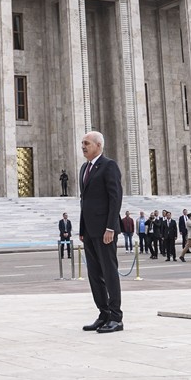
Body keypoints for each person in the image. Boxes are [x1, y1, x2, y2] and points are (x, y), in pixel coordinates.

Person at [78, 130, 124, 334]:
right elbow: (84, 201)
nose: (83, 146)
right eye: (82, 143)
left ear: (98, 145)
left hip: (105, 230)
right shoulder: (84, 168)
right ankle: (103, 313)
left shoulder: (109, 166)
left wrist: (110, 227)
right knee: (94, 275)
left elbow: (115, 198)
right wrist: (81, 229)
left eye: (86, 143)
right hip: (89, 230)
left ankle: (116, 317)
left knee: (109, 273)